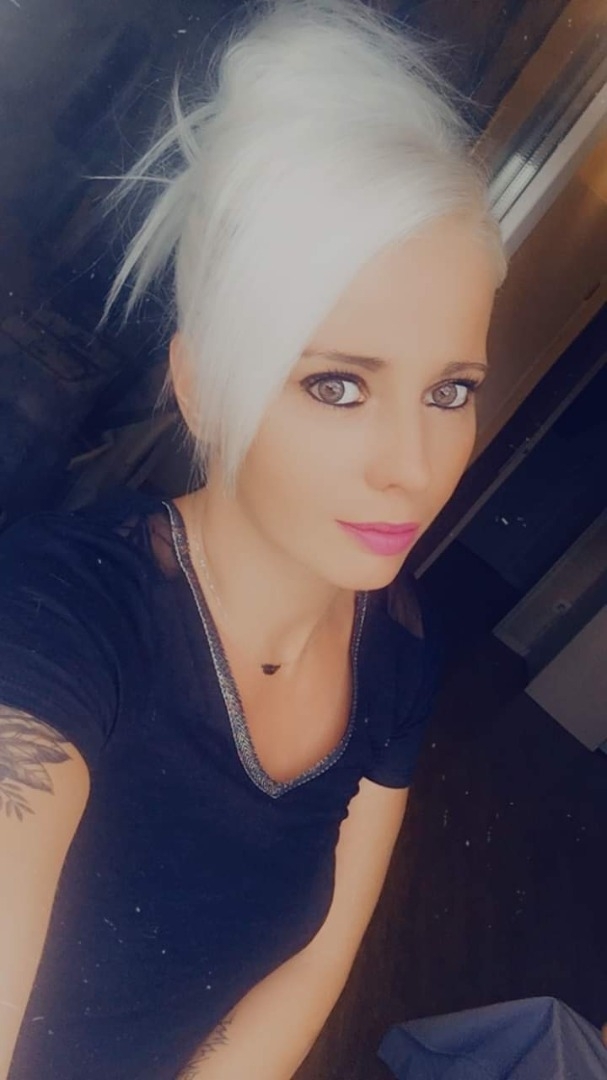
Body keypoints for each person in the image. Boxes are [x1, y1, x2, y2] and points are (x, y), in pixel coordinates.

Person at [0, 0, 507, 1077]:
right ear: (202, 385)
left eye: (450, 390)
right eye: (338, 385)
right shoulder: (56, 619)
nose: (413, 466)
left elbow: (313, 963)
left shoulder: (395, 646)